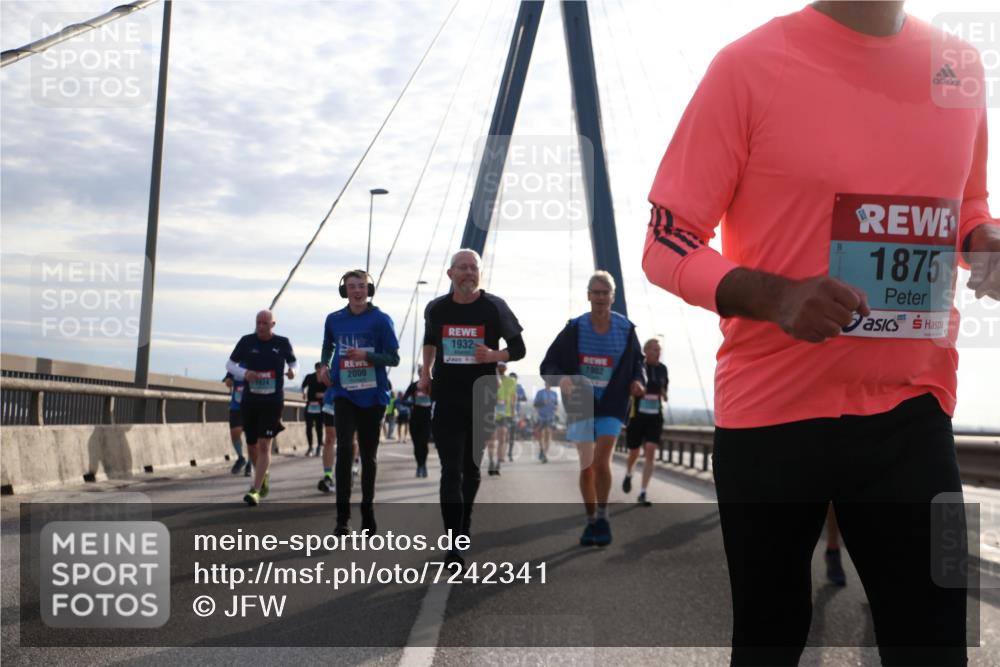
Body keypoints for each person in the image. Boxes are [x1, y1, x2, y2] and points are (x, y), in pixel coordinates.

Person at [641, 2, 999, 663]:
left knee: (937, 643)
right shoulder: (748, 66)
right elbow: (667, 239)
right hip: (773, 416)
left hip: (914, 410)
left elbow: (968, 203)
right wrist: (777, 296)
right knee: (770, 640)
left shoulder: (962, 67)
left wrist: (984, 240)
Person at [420, 249, 525, 569]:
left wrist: (494, 356)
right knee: (451, 470)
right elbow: (430, 339)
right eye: (463, 267)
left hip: (482, 400)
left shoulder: (495, 307)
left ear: (480, 274)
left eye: (474, 268)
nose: (469, 272)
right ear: (450, 274)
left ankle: (463, 526)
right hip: (447, 398)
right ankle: (454, 544)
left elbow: (518, 349)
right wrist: (425, 372)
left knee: (471, 469)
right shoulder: (436, 308)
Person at [540, 271, 644, 547]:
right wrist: (561, 378)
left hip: (612, 402)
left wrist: (637, 381)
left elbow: (638, 363)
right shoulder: (574, 328)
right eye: (595, 292)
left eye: (604, 293)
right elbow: (548, 364)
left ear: (613, 296)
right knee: (587, 467)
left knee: (601, 461)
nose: (600, 297)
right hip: (580, 403)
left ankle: (603, 516)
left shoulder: (626, 329)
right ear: (588, 296)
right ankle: (590, 520)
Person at [318, 269, 399, 535]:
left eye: (361, 286)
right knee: (344, 451)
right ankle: (342, 520)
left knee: (368, 456)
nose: (357, 291)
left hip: (373, 397)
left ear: (369, 290)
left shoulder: (381, 320)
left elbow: (394, 358)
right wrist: (324, 365)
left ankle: (368, 513)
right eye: (352, 286)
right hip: (344, 394)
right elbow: (328, 345)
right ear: (344, 291)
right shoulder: (334, 319)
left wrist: (367, 356)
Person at [227, 310, 297, 506]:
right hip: (250, 400)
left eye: (265, 323)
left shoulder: (282, 342)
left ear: (273, 324)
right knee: (252, 445)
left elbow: (293, 362)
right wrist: (245, 373)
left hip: (273, 401)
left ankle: (255, 489)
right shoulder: (246, 341)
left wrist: (292, 371)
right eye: (258, 322)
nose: (260, 326)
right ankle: (263, 474)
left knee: (265, 443)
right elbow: (230, 364)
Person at [623, 338, 669, 506]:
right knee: (634, 451)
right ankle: (629, 474)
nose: (658, 352)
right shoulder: (638, 367)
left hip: (655, 416)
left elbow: (664, 389)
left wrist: (664, 394)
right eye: (655, 349)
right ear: (646, 351)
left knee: (650, 450)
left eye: (659, 349)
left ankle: (643, 492)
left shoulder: (663, 369)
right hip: (637, 416)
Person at [403, 368, 432, 477]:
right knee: (416, 445)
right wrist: (412, 402)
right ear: (418, 374)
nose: (422, 374)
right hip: (415, 419)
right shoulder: (414, 386)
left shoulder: (432, 385)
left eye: (424, 372)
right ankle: (419, 465)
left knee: (423, 443)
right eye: (420, 372)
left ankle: (423, 465)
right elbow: (404, 399)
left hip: (427, 419)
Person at [488, 362, 516, 476]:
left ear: (506, 367)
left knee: (503, 436)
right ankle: (491, 461)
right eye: (499, 366)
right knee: (491, 438)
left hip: (504, 413)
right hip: (490, 412)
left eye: (503, 366)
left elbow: (513, 396)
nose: (501, 368)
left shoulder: (511, 381)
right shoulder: (489, 379)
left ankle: (498, 462)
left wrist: (513, 410)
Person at [222, 371, 249, 475]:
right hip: (236, 406)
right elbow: (228, 381)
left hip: (252, 405)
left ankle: (250, 463)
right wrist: (228, 381)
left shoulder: (256, 364)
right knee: (235, 433)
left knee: (251, 437)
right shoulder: (235, 366)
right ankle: (241, 458)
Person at [301, 362, 326, 456]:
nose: (319, 370)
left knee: (319, 427)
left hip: (321, 405)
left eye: (320, 368)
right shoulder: (310, 377)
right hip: (310, 404)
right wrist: (304, 393)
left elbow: (331, 389)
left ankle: (319, 447)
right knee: (308, 426)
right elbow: (303, 386)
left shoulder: (326, 378)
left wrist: (323, 394)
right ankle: (310, 447)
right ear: (315, 369)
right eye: (317, 368)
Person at [533, 380, 559, 463]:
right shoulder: (540, 393)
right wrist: (543, 403)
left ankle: (544, 454)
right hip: (541, 416)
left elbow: (556, 405)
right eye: (547, 382)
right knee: (540, 435)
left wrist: (556, 411)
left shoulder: (554, 393)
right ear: (545, 383)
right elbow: (535, 404)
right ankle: (541, 448)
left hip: (550, 417)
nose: (548, 384)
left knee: (548, 433)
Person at [317, 381, 336, 493]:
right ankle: (328, 476)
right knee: (329, 438)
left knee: (351, 440)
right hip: (333, 399)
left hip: (355, 399)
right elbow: (322, 376)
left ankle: (352, 469)